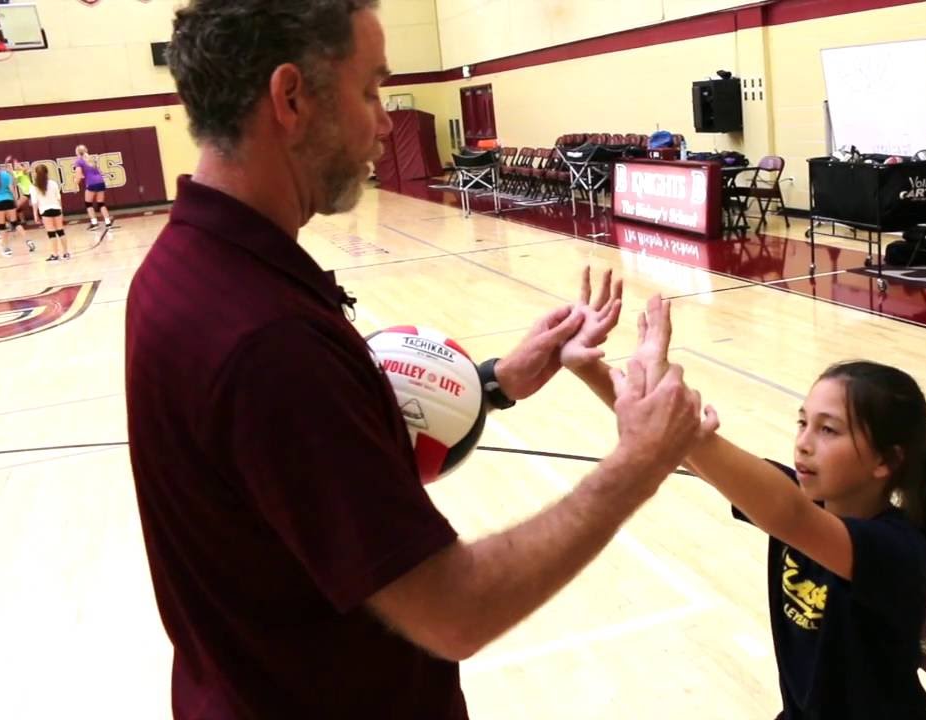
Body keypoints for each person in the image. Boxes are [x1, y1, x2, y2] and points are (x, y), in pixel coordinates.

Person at [126, 2, 710, 718]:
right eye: (371, 89)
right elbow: (453, 610)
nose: (384, 122)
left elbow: (306, 479)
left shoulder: (185, 266)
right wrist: (639, 462)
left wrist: (492, 384)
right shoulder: (267, 340)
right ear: (290, 98)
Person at [569, 291, 926, 719]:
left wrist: (684, 427)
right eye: (802, 422)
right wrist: (587, 367)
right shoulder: (800, 498)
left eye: (828, 430)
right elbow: (679, 452)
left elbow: (788, 516)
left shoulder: (896, 549)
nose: (804, 443)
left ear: (886, 460)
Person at [29, 164, 68, 261]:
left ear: (36, 174)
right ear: (47, 172)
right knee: (60, 231)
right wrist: (61, 211)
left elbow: (34, 202)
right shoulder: (53, 183)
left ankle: (55, 254)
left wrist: (35, 215)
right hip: (56, 209)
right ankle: (66, 253)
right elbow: (59, 198)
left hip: (45, 211)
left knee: (51, 233)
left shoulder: (34, 187)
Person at [73, 144, 113, 230]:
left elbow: (79, 175)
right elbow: (98, 171)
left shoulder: (79, 161)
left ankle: (94, 223)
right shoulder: (91, 159)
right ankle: (108, 222)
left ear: (77, 152)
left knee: (88, 204)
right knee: (101, 203)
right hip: (100, 181)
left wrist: (75, 185)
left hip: (91, 183)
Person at [7, 157, 36, 252]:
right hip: (27, 192)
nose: (16, 166)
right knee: (17, 207)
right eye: (16, 165)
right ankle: (21, 221)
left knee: (17, 207)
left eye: (18, 165)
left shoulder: (21, 172)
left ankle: (14, 223)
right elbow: (13, 176)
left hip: (30, 192)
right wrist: (11, 168)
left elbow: (24, 170)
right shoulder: (18, 173)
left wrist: (17, 167)